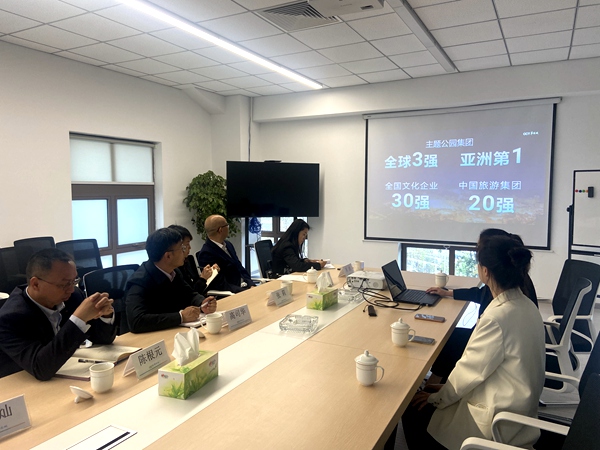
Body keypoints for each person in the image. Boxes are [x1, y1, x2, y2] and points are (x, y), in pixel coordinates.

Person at [401, 235, 545, 450]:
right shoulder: (526, 305)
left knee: (411, 407)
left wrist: (436, 398)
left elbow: (469, 372)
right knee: (431, 389)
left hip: (496, 421)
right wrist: (443, 389)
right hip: (517, 406)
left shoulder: (497, 317)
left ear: (485, 271)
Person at [424, 228, 538, 384]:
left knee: (451, 340)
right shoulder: (516, 289)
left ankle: (433, 382)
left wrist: (438, 394)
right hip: (519, 377)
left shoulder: (495, 319)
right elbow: (481, 294)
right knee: (453, 337)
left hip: (498, 387)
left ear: (485, 270)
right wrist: (449, 293)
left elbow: (474, 371)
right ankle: (437, 381)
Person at [0, 248, 116, 380]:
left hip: (64, 374)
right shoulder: (10, 319)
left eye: (74, 281)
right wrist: (78, 319)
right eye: (64, 284)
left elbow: (102, 340)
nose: (71, 289)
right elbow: (40, 368)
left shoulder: (73, 296)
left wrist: (105, 315)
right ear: (36, 284)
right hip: (19, 383)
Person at [125, 228, 217, 333]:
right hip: (151, 337)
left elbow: (189, 294)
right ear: (168, 256)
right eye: (182, 248)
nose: (185, 252)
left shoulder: (174, 272)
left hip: (174, 331)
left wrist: (202, 303)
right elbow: (136, 321)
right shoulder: (139, 282)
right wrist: (180, 317)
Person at [196, 215, 255, 293]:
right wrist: (245, 291)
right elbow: (220, 285)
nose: (228, 227)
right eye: (227, 225)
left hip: (244, 287)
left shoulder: (228, 245)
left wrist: (251, 284)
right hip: (232, 292)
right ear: (220, 230)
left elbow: (239, 267)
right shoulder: (206, 253)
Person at [168, 224, 219, 295]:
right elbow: (188, 294)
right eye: (187, 244)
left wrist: (209, 274)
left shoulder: (188, 260)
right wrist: (203, 278)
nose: (190, 247)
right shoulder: (172, 269)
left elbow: (194, 286)